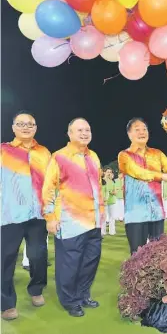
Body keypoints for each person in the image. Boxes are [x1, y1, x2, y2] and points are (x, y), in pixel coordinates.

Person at [42, 118, 103, 317]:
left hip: (94, 222)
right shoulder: (59, 157)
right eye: (79, 130)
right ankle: (70, 301)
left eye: (87, 129)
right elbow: (49, 189)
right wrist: (50, 216)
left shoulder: (93, 156)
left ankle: (83, 294)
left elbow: (98, 188)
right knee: (70, 265)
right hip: (70, 222)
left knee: (89, 263)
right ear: (69, 134)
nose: (84, 133)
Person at [1, 111, 50, 320]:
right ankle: (6, 303)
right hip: (10, 215)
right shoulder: (4, 151)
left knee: (39, 256)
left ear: (36, 128)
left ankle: (36, 289)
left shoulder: (44, 153)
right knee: (5, 260)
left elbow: (51, 183)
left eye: (30, 124)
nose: (26, 127)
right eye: (21, 124)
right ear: (13, 128)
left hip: (37, 215)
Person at [118, 117, 167, 254]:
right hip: (136, 214)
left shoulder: (157, 153)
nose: (142, 132)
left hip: (157, 213)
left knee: (158, 255)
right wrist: (163, 176)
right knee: (137, 256)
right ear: (129, 134)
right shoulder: (124, 155)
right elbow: (138, 172)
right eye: (137, 130)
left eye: (144, 129)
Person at [102, 167, 117, 236]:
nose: (109, 173)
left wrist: (113, 192)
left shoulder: (112, 181)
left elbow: (115, 191)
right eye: (108, 172)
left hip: (112, 201)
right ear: (104, 172)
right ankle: (103, 231)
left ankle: (112, 231)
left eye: (110, 172)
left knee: (112, 217)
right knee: (104, 217)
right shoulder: (101, 181)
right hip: (104, 201)